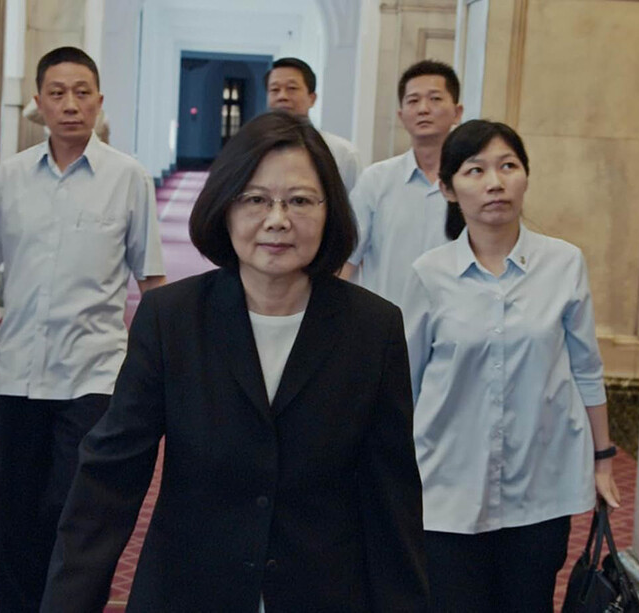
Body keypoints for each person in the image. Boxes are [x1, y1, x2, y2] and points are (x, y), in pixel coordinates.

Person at [41, 111, 428, 613]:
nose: (277, 220)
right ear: (224, 208)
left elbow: (391, 500)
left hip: (324, 592)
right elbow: (110, 479)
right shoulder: (172, 320)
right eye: (255, 199)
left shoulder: (372, 330)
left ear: (331, 210)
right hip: (190, 590)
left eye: (301, 201)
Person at [0, 46, 166, 612]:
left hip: (95, 374)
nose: (71, 105)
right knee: (15, 515)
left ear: (100, 101)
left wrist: (165, 365)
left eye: (82, 92)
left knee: (74, 511)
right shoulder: (8, 180)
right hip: (18, 375)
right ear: (38, 103)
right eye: (57, 93)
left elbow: (151, 281)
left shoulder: (128, 179)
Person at [400, 120, 620, 612]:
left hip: (540, 483)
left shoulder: (564, 264)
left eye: (508, 166)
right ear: (448, 189)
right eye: (475, 170)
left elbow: (586, 368)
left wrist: (603, 460)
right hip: (447, 487)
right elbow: (406, 384)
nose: (495, 182)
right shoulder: (429, 275)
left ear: (525, 176)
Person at [341, 59, 463, 307]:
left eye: (435, 99)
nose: (423, 109)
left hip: (456, 327)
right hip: (387, 329)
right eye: (413, 101)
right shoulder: (376, 180)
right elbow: (347, 260)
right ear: (401, 115)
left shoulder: (471, 182)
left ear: (457, 112)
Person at [266, 57, 362, 191]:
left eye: (292, 88)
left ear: (312, 98)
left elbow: (353, 208)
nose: (282, 96)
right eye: (274, 90)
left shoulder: (342, 154)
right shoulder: (251, 149)